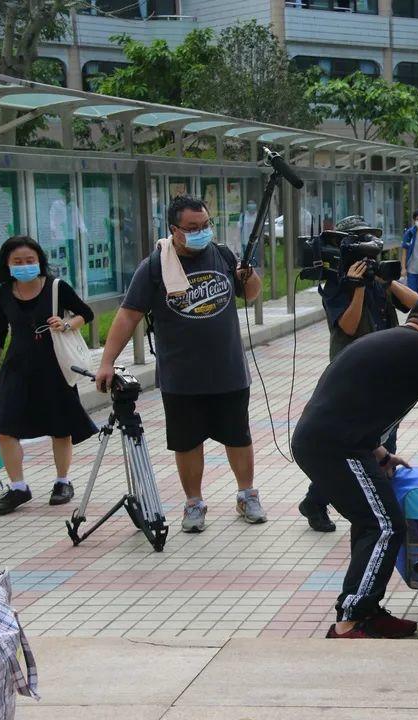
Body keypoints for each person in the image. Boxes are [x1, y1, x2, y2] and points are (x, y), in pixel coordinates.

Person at [291, 294, 418, 639]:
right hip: (336, 446)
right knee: (383, 525)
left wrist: (381, 454)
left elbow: (354, 402)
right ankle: (350, 621)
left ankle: (367, 609)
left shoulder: (385, 341)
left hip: (325, 440)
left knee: (372, 520)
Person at [95, 194, 265, 533]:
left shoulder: (223, 255)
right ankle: (194, 503)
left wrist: (248, 275)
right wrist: (107, 361)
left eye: (205, 225)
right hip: (181, 376)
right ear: (174, 230)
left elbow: (251, 294)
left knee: (238, 436)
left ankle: (247, 494)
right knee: (187, 442)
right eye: (192, 228)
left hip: (228, 370)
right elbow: (129, 315)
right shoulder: (156, 266)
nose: (201, 232)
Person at [298, 217, 418, 532]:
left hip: (385, 373)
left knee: (381, 442)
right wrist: (357, 288)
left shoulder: (379, 278)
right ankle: (318, 501)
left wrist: (385, 279)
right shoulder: (336, 284)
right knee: (351, 445)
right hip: (350, 379)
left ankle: (373, 500)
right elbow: (348, 326)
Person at [0, 236, 97, 514]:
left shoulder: (56, 287)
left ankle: (62, 482)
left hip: (54, 366)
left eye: (30, 260)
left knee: (60, 427)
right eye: (17, 262)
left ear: (40, 261)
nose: (25, 266)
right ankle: (18, 487)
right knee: (3, 425)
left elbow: (86, 313)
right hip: (16, 368)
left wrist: (67, 324)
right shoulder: (2, 294)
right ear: (7, 265)